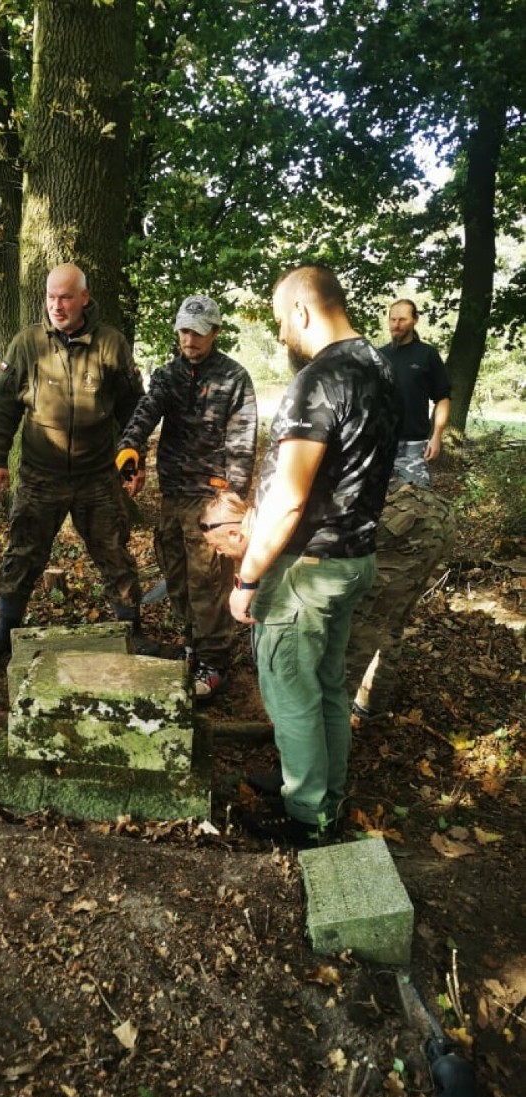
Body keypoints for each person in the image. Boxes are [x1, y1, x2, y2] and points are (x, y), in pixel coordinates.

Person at [229, 264, 400, 846]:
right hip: (355, 558)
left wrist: (249, 577)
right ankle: (322, 789)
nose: (280, 335)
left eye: (281, 322)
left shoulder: (320, 379)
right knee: (327, 684)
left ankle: (306, 817)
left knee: (291, 690)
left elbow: (291, 500)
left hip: (308, 570)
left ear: (303, 310)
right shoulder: (379, 367)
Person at [0, 262, 157, 658]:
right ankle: (4, 631)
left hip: (97, 476)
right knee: (23, 552)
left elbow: (133, 408)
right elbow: (4, 406)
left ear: (84, 298)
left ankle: (131, 630)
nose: (57, 306)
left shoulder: (111, 344)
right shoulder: (27, 344)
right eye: (51, 297)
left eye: (66, 297)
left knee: (115, 553)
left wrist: (135, 457)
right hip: (41, 474)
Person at [116, 295, 257, 698]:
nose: (189, 338)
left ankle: (215, 663)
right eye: (183, 330)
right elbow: (146, 412)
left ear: (214, 332)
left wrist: (232, 501)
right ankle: (193, 645)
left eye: (197, 331)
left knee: (207, 580)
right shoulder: (168, 375)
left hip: (212, 499)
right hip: (174, 493)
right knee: (176, 574)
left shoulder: (234, 378)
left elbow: (243, 442)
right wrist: (130, 447)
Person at [346, 477, 454, 723]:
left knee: (364, 626)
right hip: (436, 512)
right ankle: (369, 706)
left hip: (404, 523)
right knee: (391, 617)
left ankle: (331, 720)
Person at [380, 299, 450, 488]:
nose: (396, 324)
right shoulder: (378, 356)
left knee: (417, 504)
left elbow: (442, 398)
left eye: (402, 319)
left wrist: (436, 436)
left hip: (415, 445)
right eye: (393, 319)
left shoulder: (427, 354)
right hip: (381, 444)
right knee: (380, 508)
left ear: (415, 320)